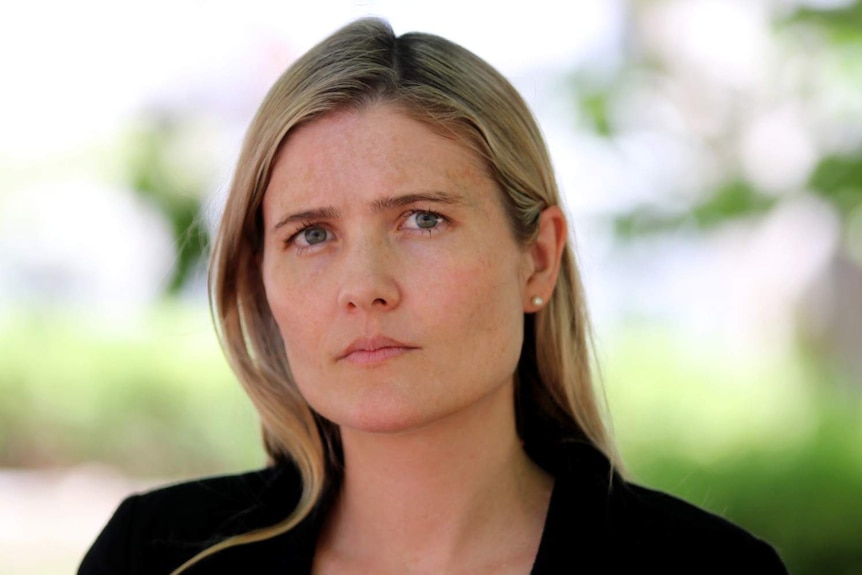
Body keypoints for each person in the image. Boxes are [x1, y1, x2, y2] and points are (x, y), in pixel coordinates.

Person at [79, 18, 787, 575]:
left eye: (423, 219)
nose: (365, 288)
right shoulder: (153, 557)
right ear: (261, 279)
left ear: (537, 260)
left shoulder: (710, 568)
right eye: (313, 234)